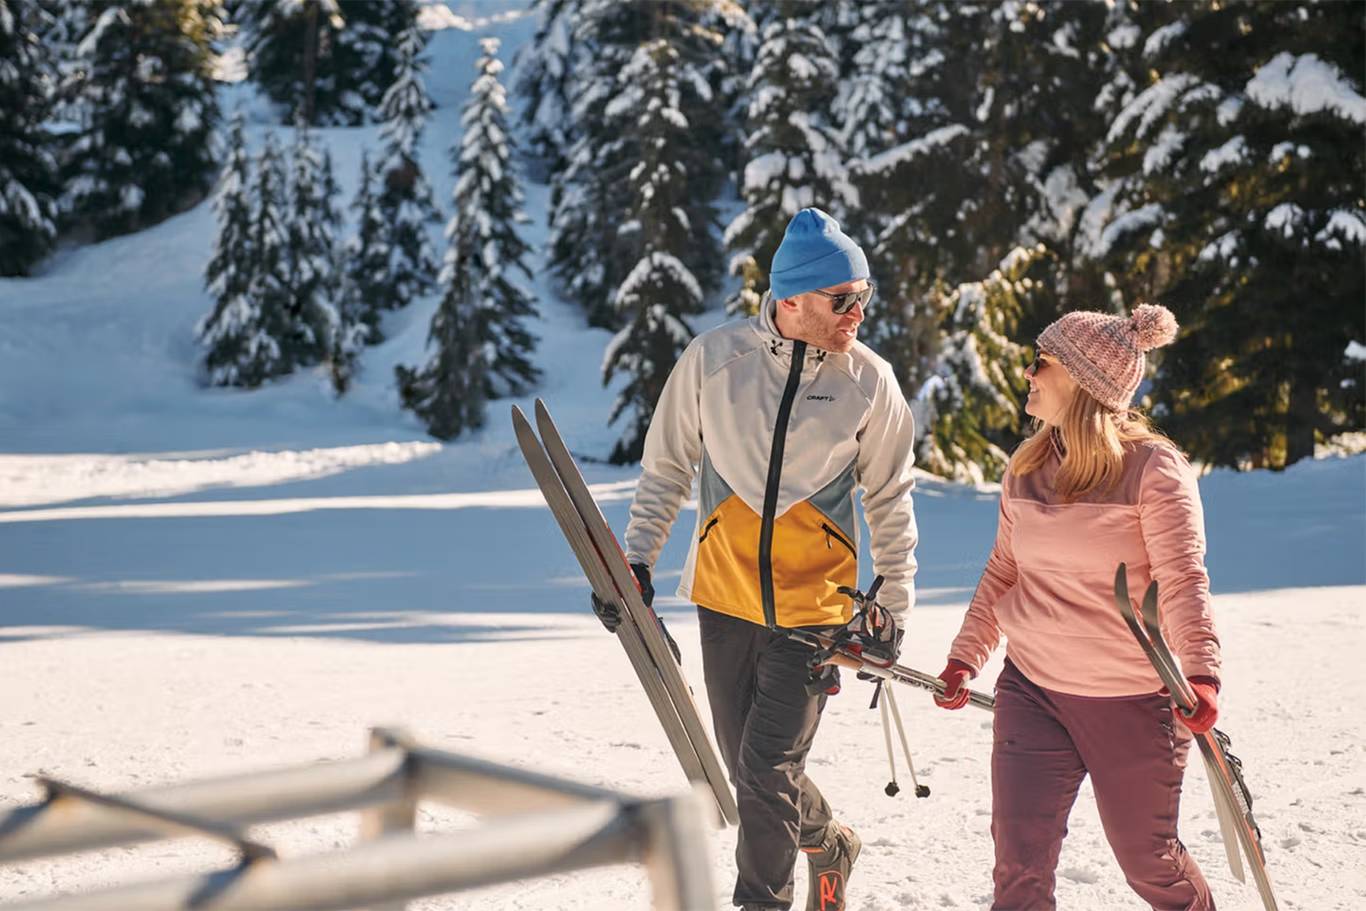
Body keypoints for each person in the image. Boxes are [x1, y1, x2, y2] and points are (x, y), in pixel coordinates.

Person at [592, 208, 919, 911]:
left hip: (816, 610)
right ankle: (828, 842)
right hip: (724, 596)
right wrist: (637, 562)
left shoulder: (870, 382)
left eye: (864, 295)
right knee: (750, 768)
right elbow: (666, 467)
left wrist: (892, 607)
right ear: (792, 299)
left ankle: (760, 902)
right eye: (843, 299)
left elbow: (891, 498)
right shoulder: (715, 360)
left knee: (768, 768)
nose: (859, 313)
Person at [934, 304, 1221, 911]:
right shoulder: (1027, 466)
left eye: (1042, 362)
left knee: (1150, 862)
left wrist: (1201, 673)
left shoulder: (1153, 469)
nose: (1029, 373)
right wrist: (965, 658)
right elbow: (1004, 571)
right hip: (1033, 689)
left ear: (1084, 380)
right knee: (1019, 865)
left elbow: (1181, 578)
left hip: (1132, 699)